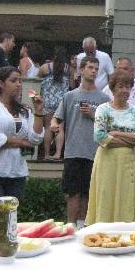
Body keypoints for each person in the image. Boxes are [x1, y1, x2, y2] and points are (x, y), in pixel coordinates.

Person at [0, 67, 44, 224]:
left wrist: (39, 111)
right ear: (1, 83)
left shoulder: (25, 111)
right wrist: (21, 142)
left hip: (16, 175)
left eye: (20, 81)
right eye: (13, 80)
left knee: (10, 224)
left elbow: (35, 138)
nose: (18, 84)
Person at [51, 56, 109, 228]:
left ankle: (83, 226)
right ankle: (71, 227)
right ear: (82, 70)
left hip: (95, 152)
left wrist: (92, 114)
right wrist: (54, 125)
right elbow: (57, 118)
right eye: (90, 67)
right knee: (73, 192)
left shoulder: (104, 99)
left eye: (96, 68)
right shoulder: (70, 96)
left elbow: (109, 126)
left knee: (88, 192)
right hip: (73, 151)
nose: (94, 71)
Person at [85, 71, 135, 224]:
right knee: (106, 194)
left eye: (128, 87)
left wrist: (115, 133)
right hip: (107, 161)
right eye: (120, 86)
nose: (125, 90)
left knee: (127, 196)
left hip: (128, 162)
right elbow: (100, 137)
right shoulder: (103, 109)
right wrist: (129, 139)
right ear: (112, 89)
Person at [38, 46, 70, 160]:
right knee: (60, 128)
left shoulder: (44, 68)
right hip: (62, 102)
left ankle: (46, 154)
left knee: (48, 127)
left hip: (48, 101)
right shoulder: (68, 68)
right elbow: (71, 85)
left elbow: (37, 80)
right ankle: (58, 153)